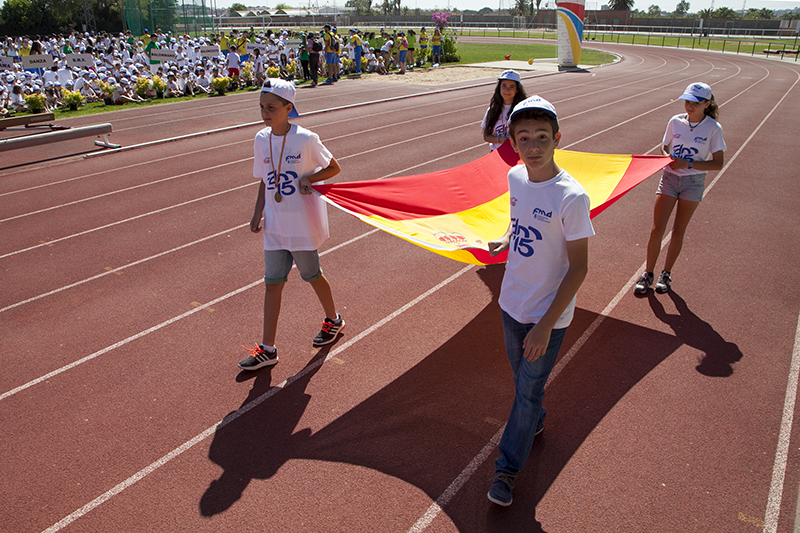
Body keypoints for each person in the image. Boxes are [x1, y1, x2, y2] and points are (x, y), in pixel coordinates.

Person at [486, 95, 594, 507]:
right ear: (513, 141)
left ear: (557, 139)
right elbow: (520, 220)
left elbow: (579, 268)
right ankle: (536, 420)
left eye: (542, 138)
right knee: (523, 382)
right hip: (511, 302)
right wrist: (507, 238)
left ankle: (506, 472)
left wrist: (546, 325)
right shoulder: (515, 178)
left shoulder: (571, 196)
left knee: (526, 391)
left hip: (546, 317)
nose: (533, 146)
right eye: (524, 137)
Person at [238, 78, 345, 371]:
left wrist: (310, 179)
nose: (265, 113)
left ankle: (334, 320)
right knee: (272, 285)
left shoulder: (306, 138)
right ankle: (268, 349)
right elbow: (265, 179)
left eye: (271, 107)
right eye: (262, 107)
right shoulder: (261, 139)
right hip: (275, 224)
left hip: (301, 223)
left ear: (288, 107)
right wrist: (257, 212)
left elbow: (334, 167)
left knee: (311, 275)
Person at [633, 82, 726, 295]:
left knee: (678, 231)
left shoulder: (713, 128)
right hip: (669, 179)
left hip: (693, 183)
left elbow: (718, 163)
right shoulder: (675, 122)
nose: (689, 106)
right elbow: (664, 145)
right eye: (687, 102)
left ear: (706, 103)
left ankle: (666, 273)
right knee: (657, 229)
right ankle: (648, 273)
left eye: (694, 103)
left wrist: (688, 164)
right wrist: (666, 156)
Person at [481, 70, 528, 151]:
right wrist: (500, 139)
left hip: (517, 153)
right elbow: (486, 136)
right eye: (504, 86)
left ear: (517, 89)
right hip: (496, 154)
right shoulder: (492, 110)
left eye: (511, 87)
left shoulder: (522, 110)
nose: (507, 90)